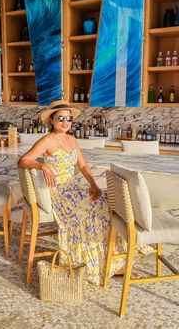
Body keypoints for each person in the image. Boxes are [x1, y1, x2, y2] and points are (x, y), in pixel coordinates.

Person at [18, 100, 125, 285]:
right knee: (96, 207)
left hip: (73, 187)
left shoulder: (72, 139)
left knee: (108, 200)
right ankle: (90, 263)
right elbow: (23, 161)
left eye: (69, 118)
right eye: (61, 118)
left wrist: (93, 184)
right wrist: (42, 165)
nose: (65, 122)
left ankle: (112, 260)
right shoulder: (47, 140)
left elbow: (82, 165)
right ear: (52, 120)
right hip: (59, 192)